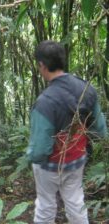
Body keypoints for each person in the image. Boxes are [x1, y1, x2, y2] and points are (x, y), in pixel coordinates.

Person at [27, 40, 107, 223]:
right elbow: (100, 131)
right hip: (77, 160)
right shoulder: (86, 88)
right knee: (76, 203)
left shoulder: (45, 102)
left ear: (42, 65)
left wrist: (30, 157)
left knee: (46, 206)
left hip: (49, 167)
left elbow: (40, 150)